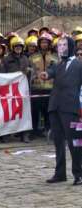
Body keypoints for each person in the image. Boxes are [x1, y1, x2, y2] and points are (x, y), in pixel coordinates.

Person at [40, 36, 82, 186]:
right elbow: (50, 72)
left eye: (63, 45)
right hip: (55, 107)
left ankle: (79, 173)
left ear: (70, 47)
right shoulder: (57, 64)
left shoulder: (79, 65)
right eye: (59, 45)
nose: (60, 48)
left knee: (75, 142)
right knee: (58, 142)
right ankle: (60, 173)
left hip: (71, 109)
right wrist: (46, 75)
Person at [3, 36, 32, 143]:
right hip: (10, 90)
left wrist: (29, 70)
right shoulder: (7, 59)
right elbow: (2, 74)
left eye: (20, 46)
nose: (18, 48)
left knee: (24, 112)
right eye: (16, 46)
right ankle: (6, 134)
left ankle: (24, 134)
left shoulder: (25, 59)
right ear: (12, 47)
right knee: (8, 111)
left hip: (23, 90)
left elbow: (31, 71)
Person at [29, 32, 58, 139]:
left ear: (49, 44)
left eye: (46, 42)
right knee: (35, 111)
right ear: (39, 44)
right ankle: (34, 132)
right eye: (42, 42)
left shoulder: (55, 57)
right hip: (36, 89)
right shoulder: (32, 57)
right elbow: (29, 70)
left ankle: (48, 130)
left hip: (50, 89)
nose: (44, 44)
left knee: (48, 112)